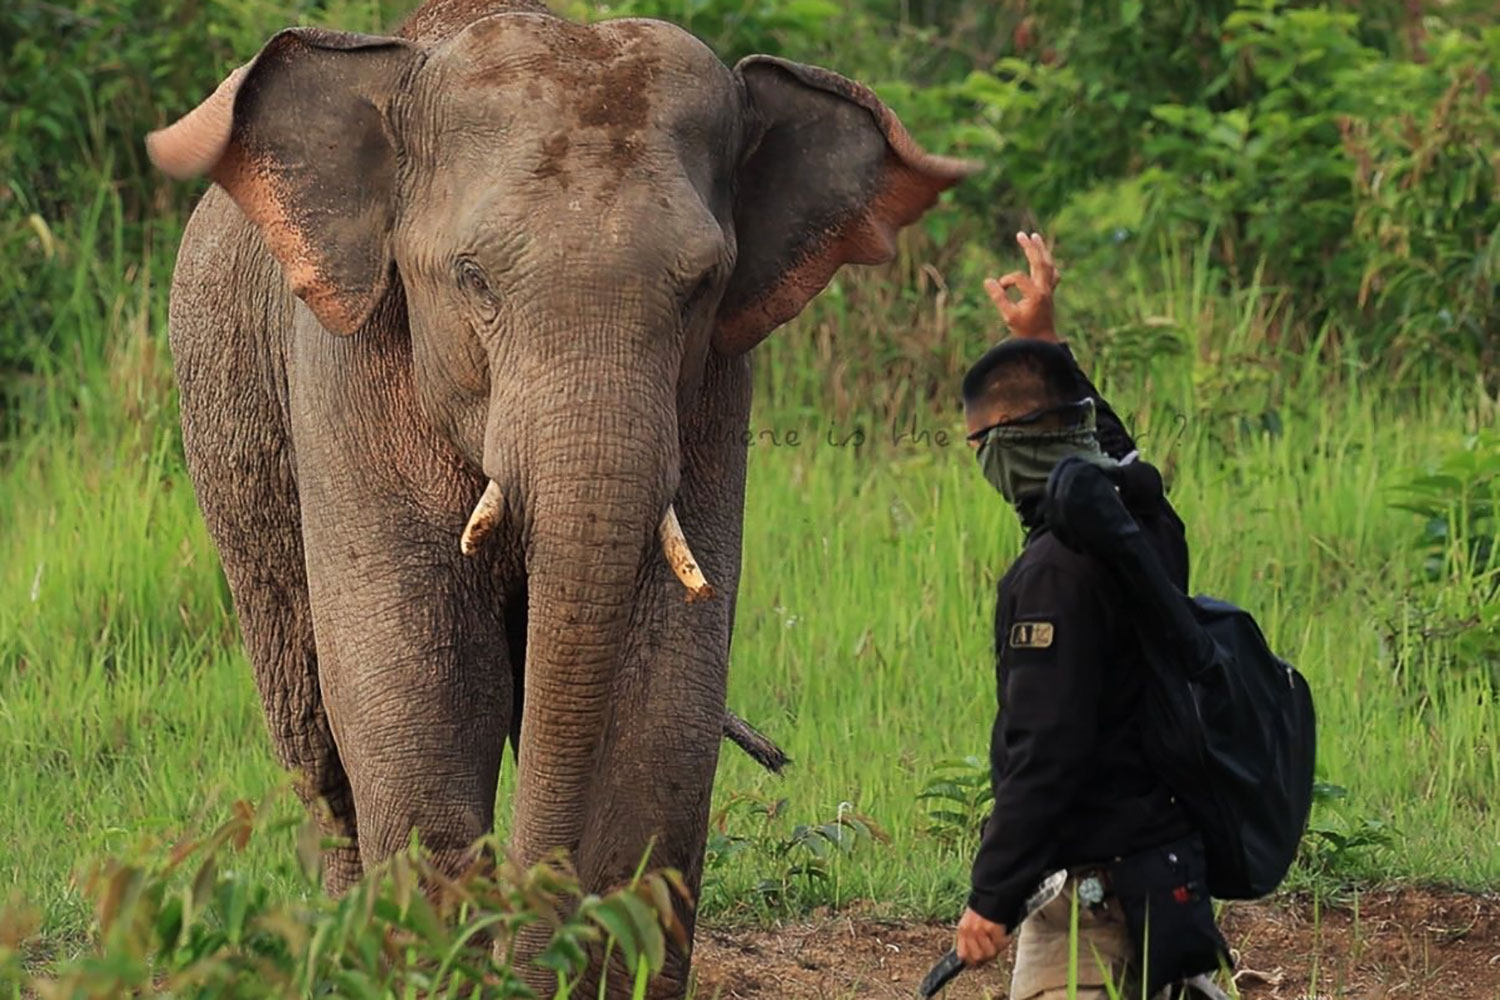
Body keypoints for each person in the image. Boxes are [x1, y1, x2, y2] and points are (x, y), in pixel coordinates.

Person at [952, 233, 1229, 1000]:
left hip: (1090, 903)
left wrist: (992, 895)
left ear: (1002, 454)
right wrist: (1046, 343)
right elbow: (1103, 444)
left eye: (980, 446)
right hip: (1166, 873)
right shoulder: (1146, 522)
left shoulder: (1051, 575)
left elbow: (1047, 752)